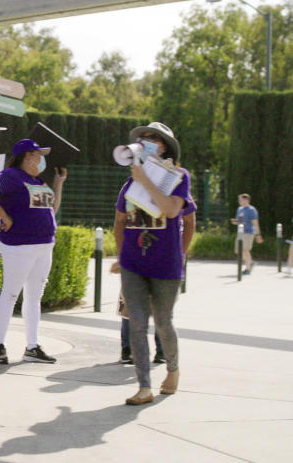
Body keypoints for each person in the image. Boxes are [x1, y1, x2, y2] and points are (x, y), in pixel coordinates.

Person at [114, 121, 193, 406]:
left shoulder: (179, 176)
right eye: (143, 138)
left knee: (162, 322)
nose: (146, 142)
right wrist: (120, 255)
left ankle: (172, 370)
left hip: (166, 265)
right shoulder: (129, 182)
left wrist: (146, 181)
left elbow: (174, 211)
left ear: (165, 147)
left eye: (153, 139)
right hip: (133, 264)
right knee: (136, 323)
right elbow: (120, 221)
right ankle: (144, 386)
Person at [0, 138, 66, 365]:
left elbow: (51, 209)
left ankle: (32, 346)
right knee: (11, 293)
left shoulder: (38, 180)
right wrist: (4, 217)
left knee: (35, 297)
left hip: (44, 245)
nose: (41, 159)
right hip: (18, 245)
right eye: (37, 154)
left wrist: (59, 184)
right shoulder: (9, 176)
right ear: (27, 155)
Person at [231, 193, 262, 275]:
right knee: (238, 250)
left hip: (248, 232)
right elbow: (240, 221)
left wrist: (258, 235)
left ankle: (248, 269)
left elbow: (255, 223)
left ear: (247, 200)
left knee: (245, 250)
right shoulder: (239, 209)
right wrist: (236, 222)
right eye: (239, 200)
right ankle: (250, 262)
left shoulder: (252, 210)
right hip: (240, 232)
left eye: (241, 199)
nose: (239, 201)